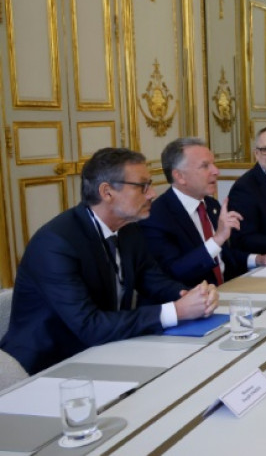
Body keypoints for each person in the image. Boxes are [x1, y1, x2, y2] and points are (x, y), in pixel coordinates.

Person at [0, 148, 219, 374]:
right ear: (107, 192)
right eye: (142, 186)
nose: (152, 194)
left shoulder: (129, 229)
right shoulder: (55, 244)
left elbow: (154, 281)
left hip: (107, 350)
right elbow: (89, 326)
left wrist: (192, 295)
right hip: (46, 367)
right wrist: (176, 311)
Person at [140, 139, 266, 288]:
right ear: (180, 176)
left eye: (213, 164)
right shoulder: (156, 216)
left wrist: (258, 259)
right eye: (205, 166)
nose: (216, 171)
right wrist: (217, 239)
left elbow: (223, 256)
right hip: (193, 298)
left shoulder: (211, 204)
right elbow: (174, 272)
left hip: (230, 289)